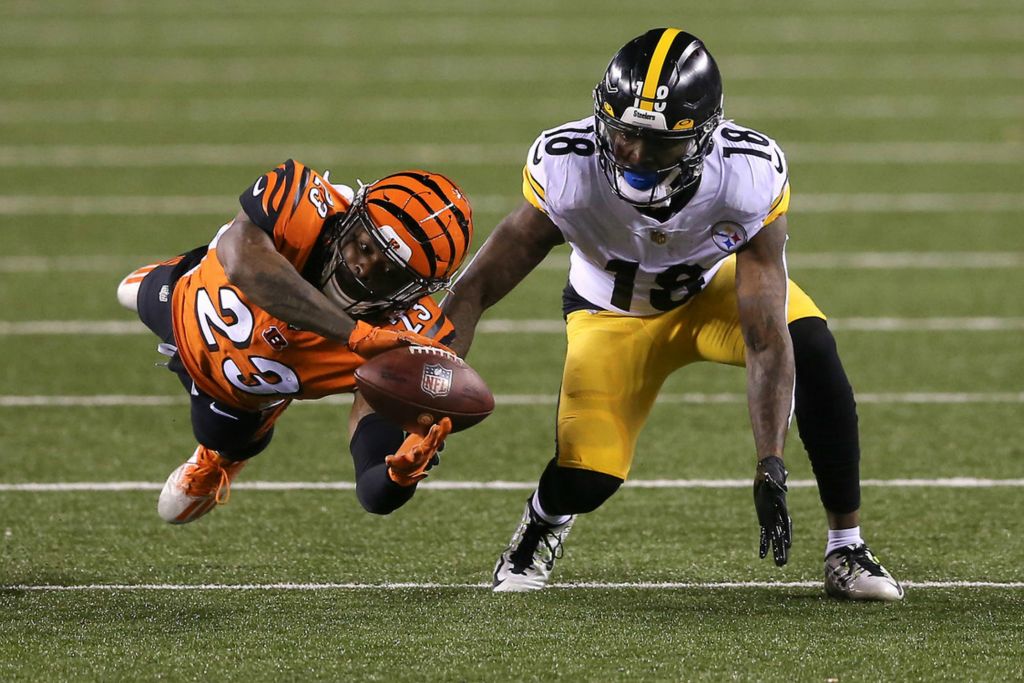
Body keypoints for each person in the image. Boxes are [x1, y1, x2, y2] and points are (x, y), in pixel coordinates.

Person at [442, 28, 903, 600]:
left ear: (704, 137)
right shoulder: (569, 170)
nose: (634, 155)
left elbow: (765, 338)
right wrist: (432, 380)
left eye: (658, 143)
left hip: (714, 295)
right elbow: (476, 287)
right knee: (588, 478)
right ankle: (544, 521)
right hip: (610, 313)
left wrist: (770, 463)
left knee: (811, 346)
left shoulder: (746, 177)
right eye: (624, 134)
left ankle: (846, 548)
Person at [117, 161, 473, 523]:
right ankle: (180, 269)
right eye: (364, 246)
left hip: (235, 390)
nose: (363, 268)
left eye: (389, 271)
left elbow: (372, 488)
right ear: (350, 219)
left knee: (219, 437)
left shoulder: (404, 338)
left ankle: (220, 457)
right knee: (130, 291)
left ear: (414, 292)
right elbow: (243, 261)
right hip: (187, 300)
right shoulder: (306, 203)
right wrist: (354, 334)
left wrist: (396, 477)